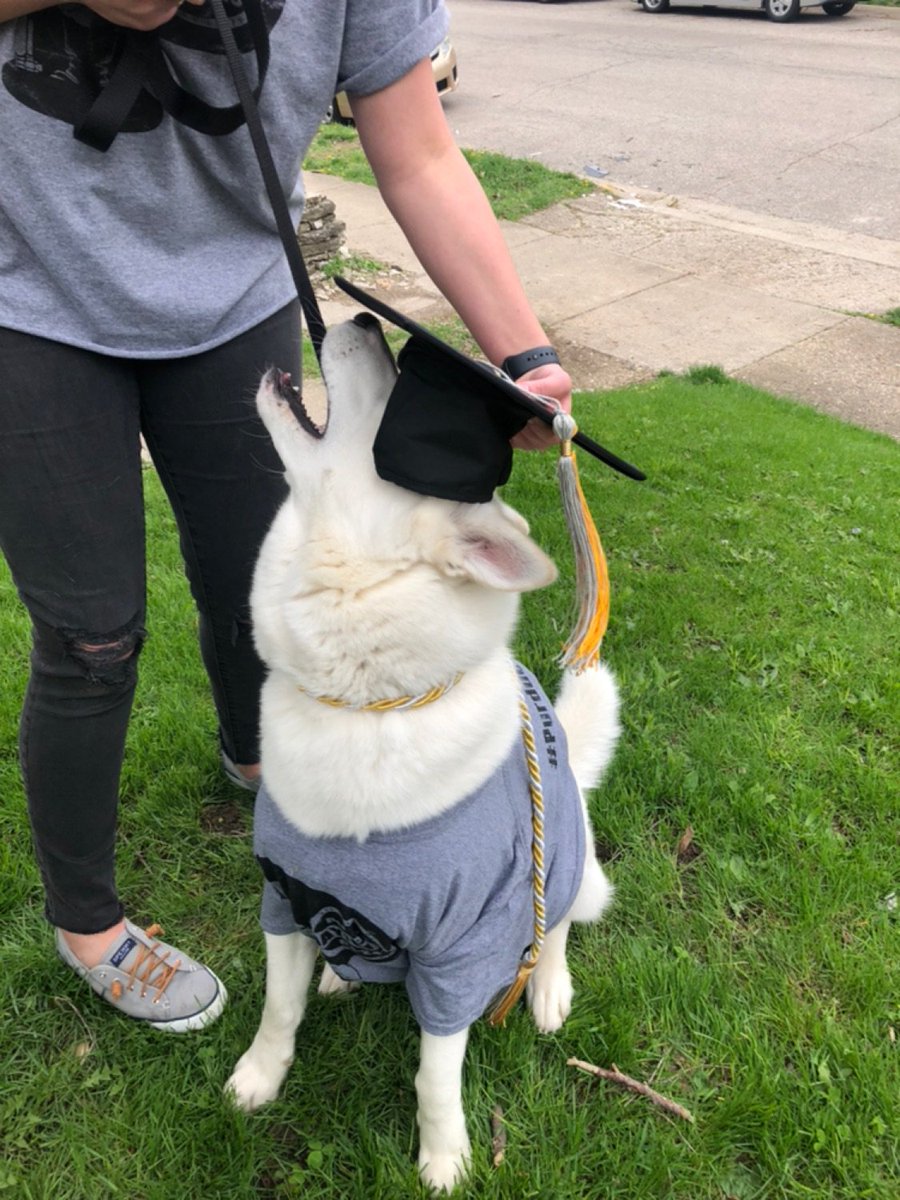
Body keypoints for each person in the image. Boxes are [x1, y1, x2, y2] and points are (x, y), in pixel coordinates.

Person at [0, 0, 573, 1032]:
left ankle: (257, 759)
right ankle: (87, 923)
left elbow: (419, 152)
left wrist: (523, 354)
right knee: (91, 641)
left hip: (233, 294)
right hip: (25, 294)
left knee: (251, 579)